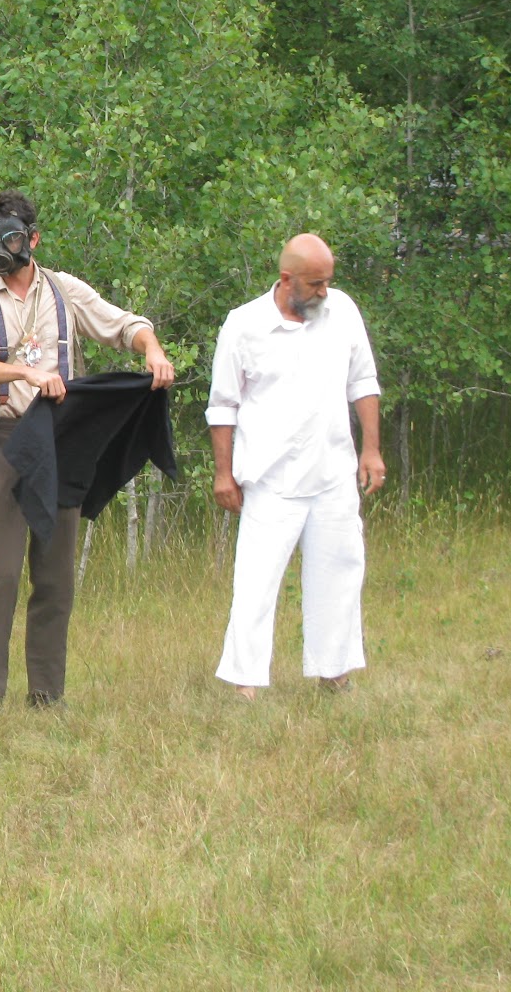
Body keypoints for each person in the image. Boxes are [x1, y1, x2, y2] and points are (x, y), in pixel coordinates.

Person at [0, 191, 175, 707]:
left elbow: (126, 325)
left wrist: (153, 350)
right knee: (0, 572)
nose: (1, 250)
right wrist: (22, 373)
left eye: (11, 239)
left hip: (60, 442)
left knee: (56, 576)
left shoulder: (65, 291)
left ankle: (47, 696)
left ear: (33, 239)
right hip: (6, 442)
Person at [207, 233, 384, 699]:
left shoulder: (342, 311)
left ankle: (335, 672)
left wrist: (371, 450)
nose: (325, 291)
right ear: (287, 280)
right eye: (316, 283)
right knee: (255, 584)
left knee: (339, 574)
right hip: (271, 479)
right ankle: (246, 683)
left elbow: (363, 381)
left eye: (328, 282)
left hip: (333, 472)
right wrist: (224, 474)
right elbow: (223, 405)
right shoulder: (244, 325)